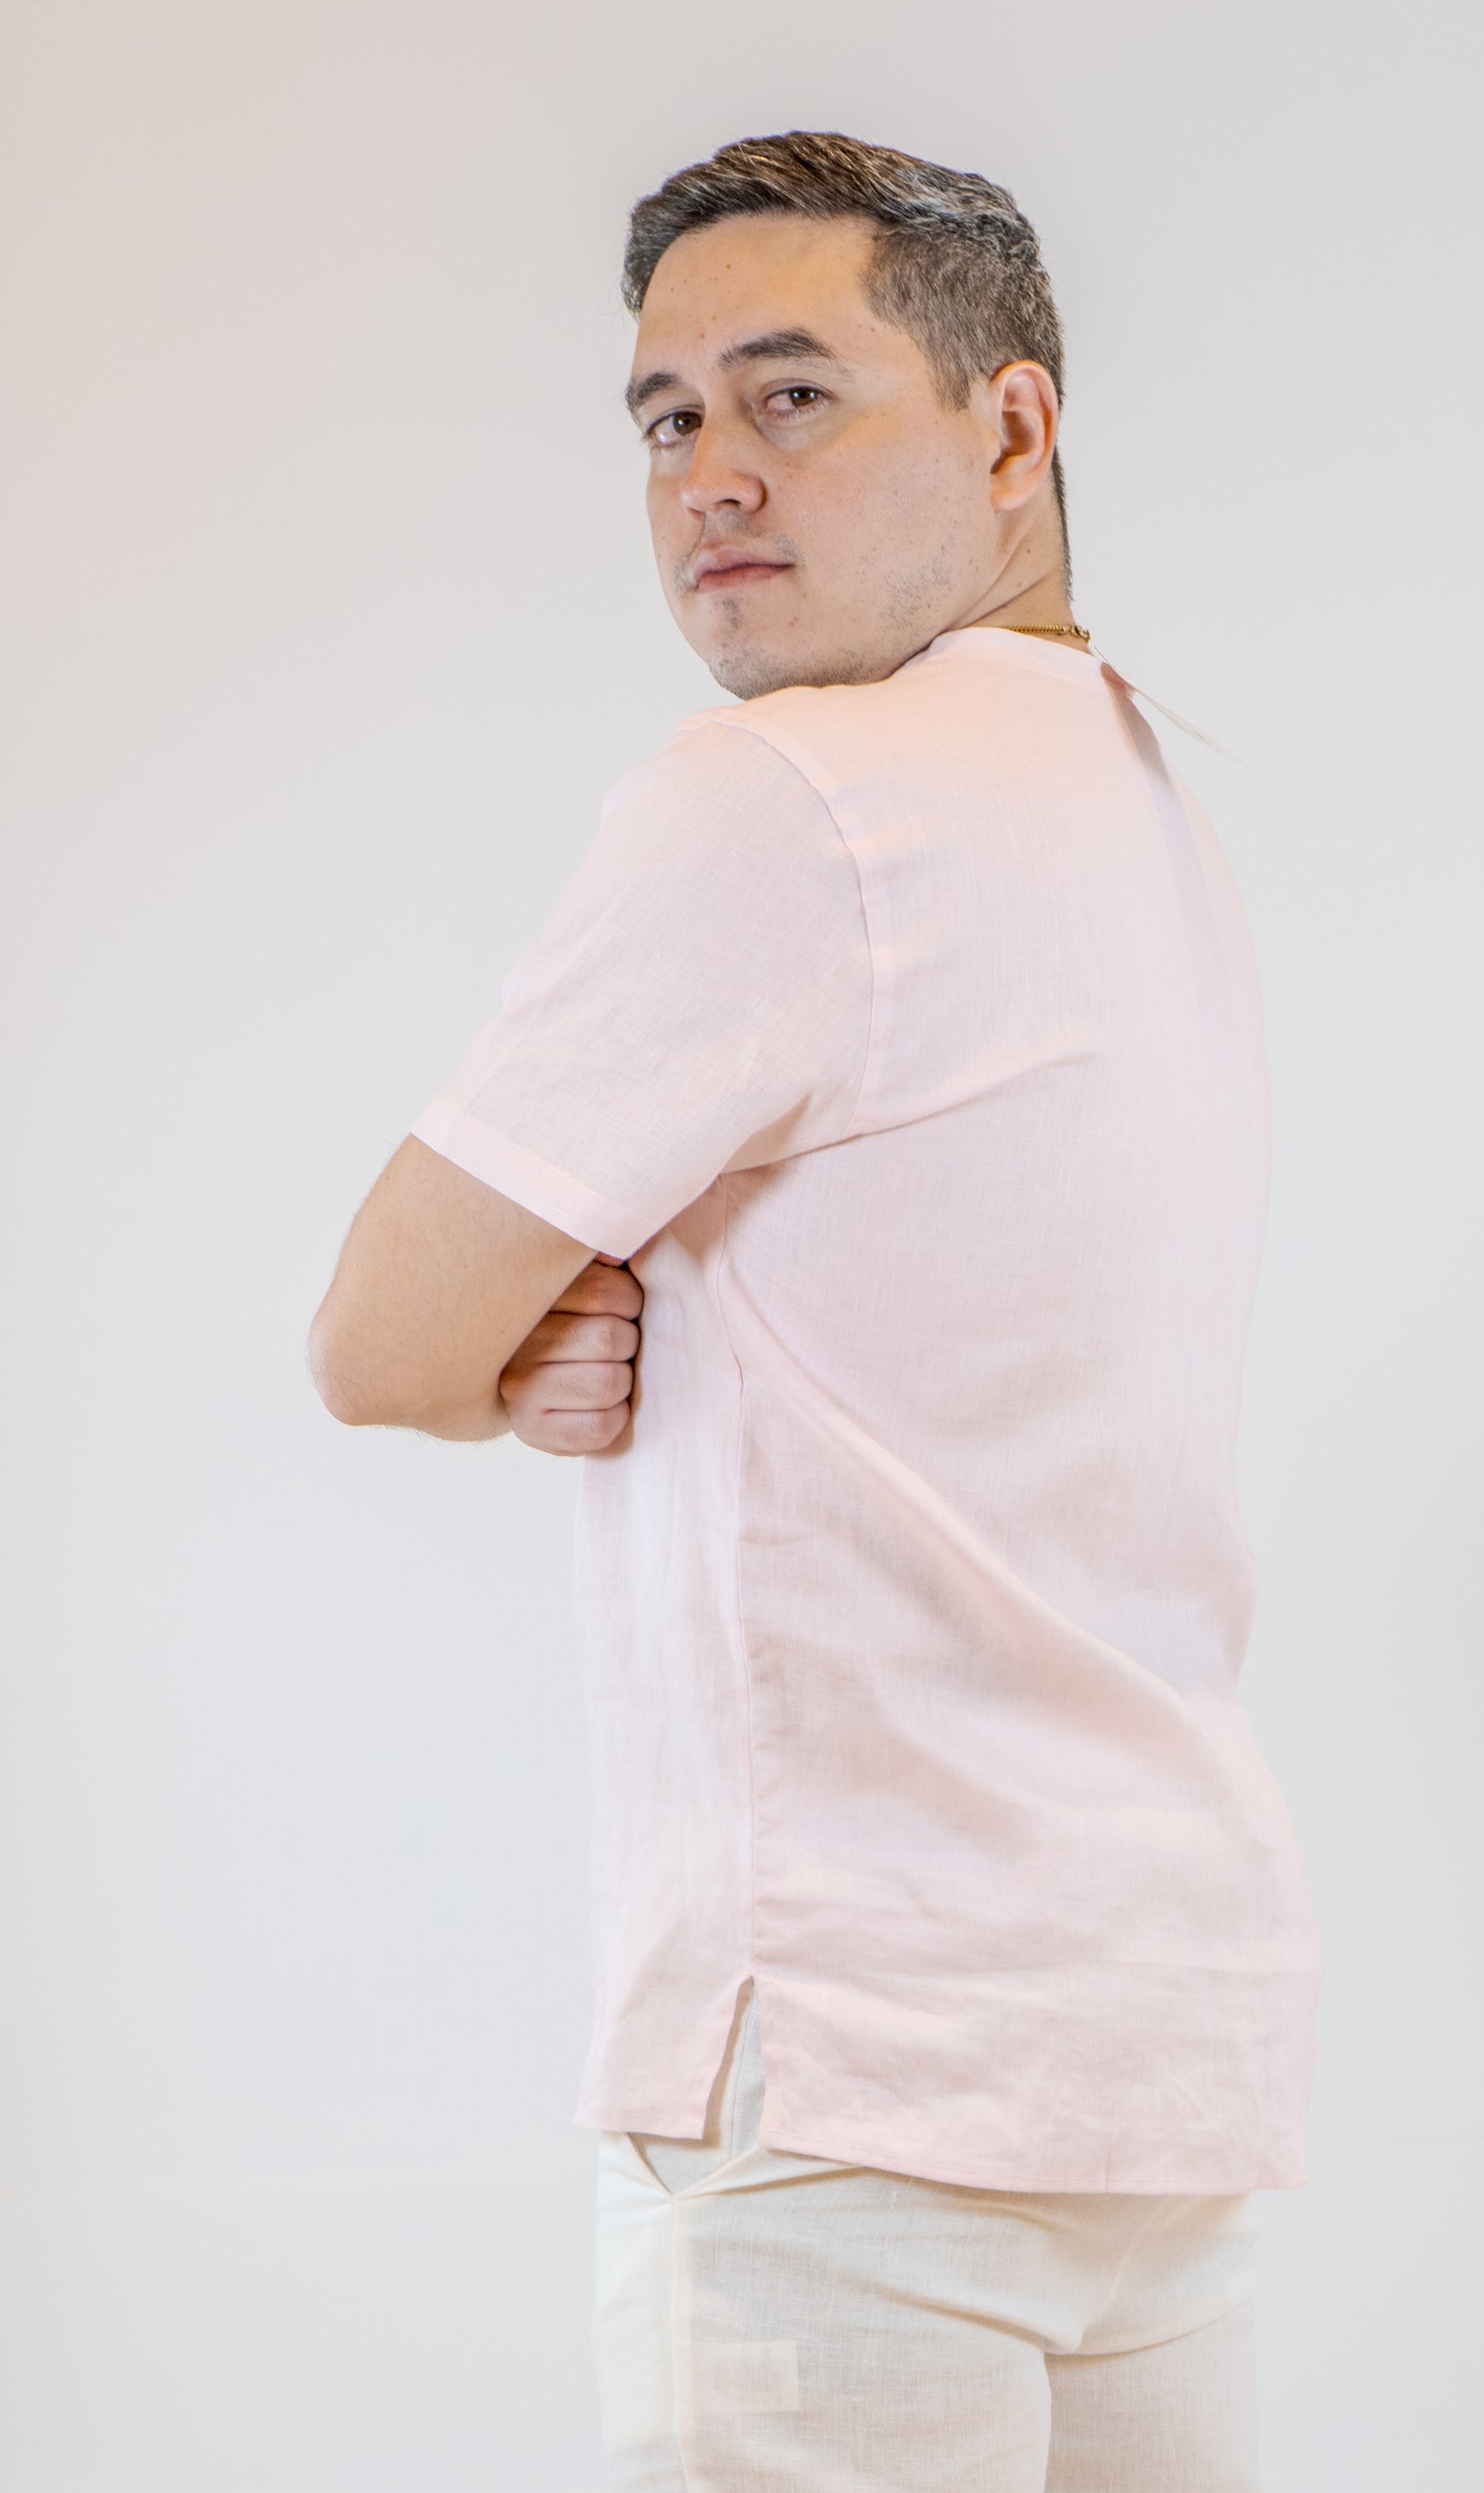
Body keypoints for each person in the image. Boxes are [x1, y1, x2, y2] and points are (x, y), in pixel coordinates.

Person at [310, 130, 1321, 2493]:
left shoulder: (788, 798)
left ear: (1010, 426)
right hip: (1160, 2048)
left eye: (793, 396)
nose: (712, 478)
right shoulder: (1144, 796)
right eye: (666, 418)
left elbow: (375, 1341)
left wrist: (516, 1351)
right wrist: (564, 1329)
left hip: (858, 2065)